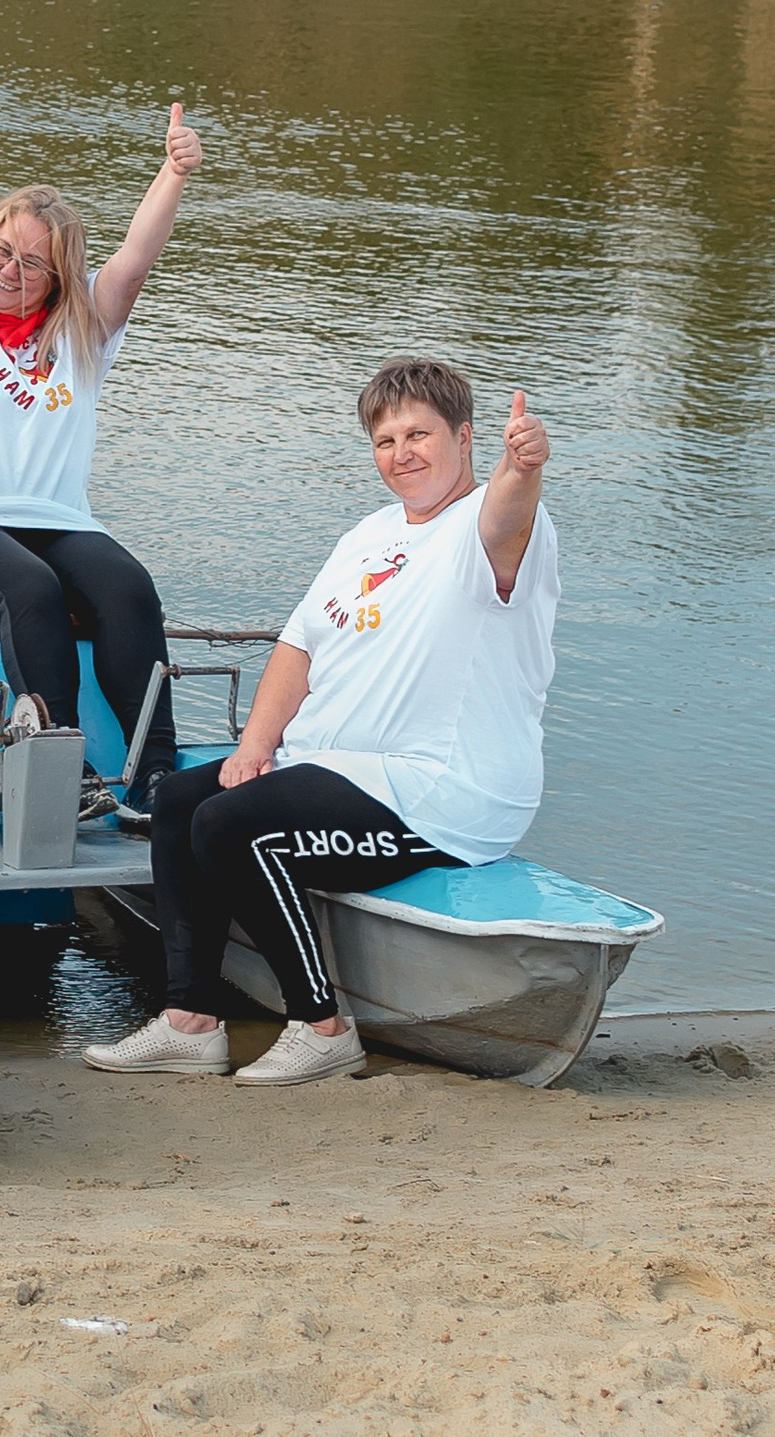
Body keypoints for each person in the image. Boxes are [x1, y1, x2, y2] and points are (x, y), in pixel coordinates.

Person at [83, 357, 559, 1085]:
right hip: (340, 766)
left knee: (230, 825)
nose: (402, 453)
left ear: (464, 438)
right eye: (385, 440)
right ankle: (190, 1022)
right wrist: (254, 745)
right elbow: (298, 644)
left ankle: (322, 1027)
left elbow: (505, 516)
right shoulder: (371, 532)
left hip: (442, 789)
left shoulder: (484, 527)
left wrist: (523, 469)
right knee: (180, 799)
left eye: (419, 435)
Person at [0, 73, 202, 823]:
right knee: (30, 587)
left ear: (59, 276)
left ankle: (155, 773)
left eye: (32, 264)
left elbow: (134, 260)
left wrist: (173, 173)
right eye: (2, 251)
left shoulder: (81, 330)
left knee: (127, 586)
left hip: (56, 519)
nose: (9, 270)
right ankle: (63, 760)